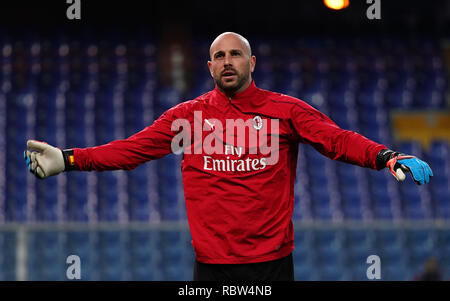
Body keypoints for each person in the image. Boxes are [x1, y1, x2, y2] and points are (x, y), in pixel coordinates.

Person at [24, 32, 433, 281]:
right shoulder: (187, 117)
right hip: (212, 266)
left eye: (235, 54)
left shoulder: (286, 110)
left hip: (272, 264)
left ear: (251, 62)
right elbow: (131, 151)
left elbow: (337, 140)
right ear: (209, 67)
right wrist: (69, 158)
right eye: (219, 56)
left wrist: (386, 157)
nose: (227, 62)